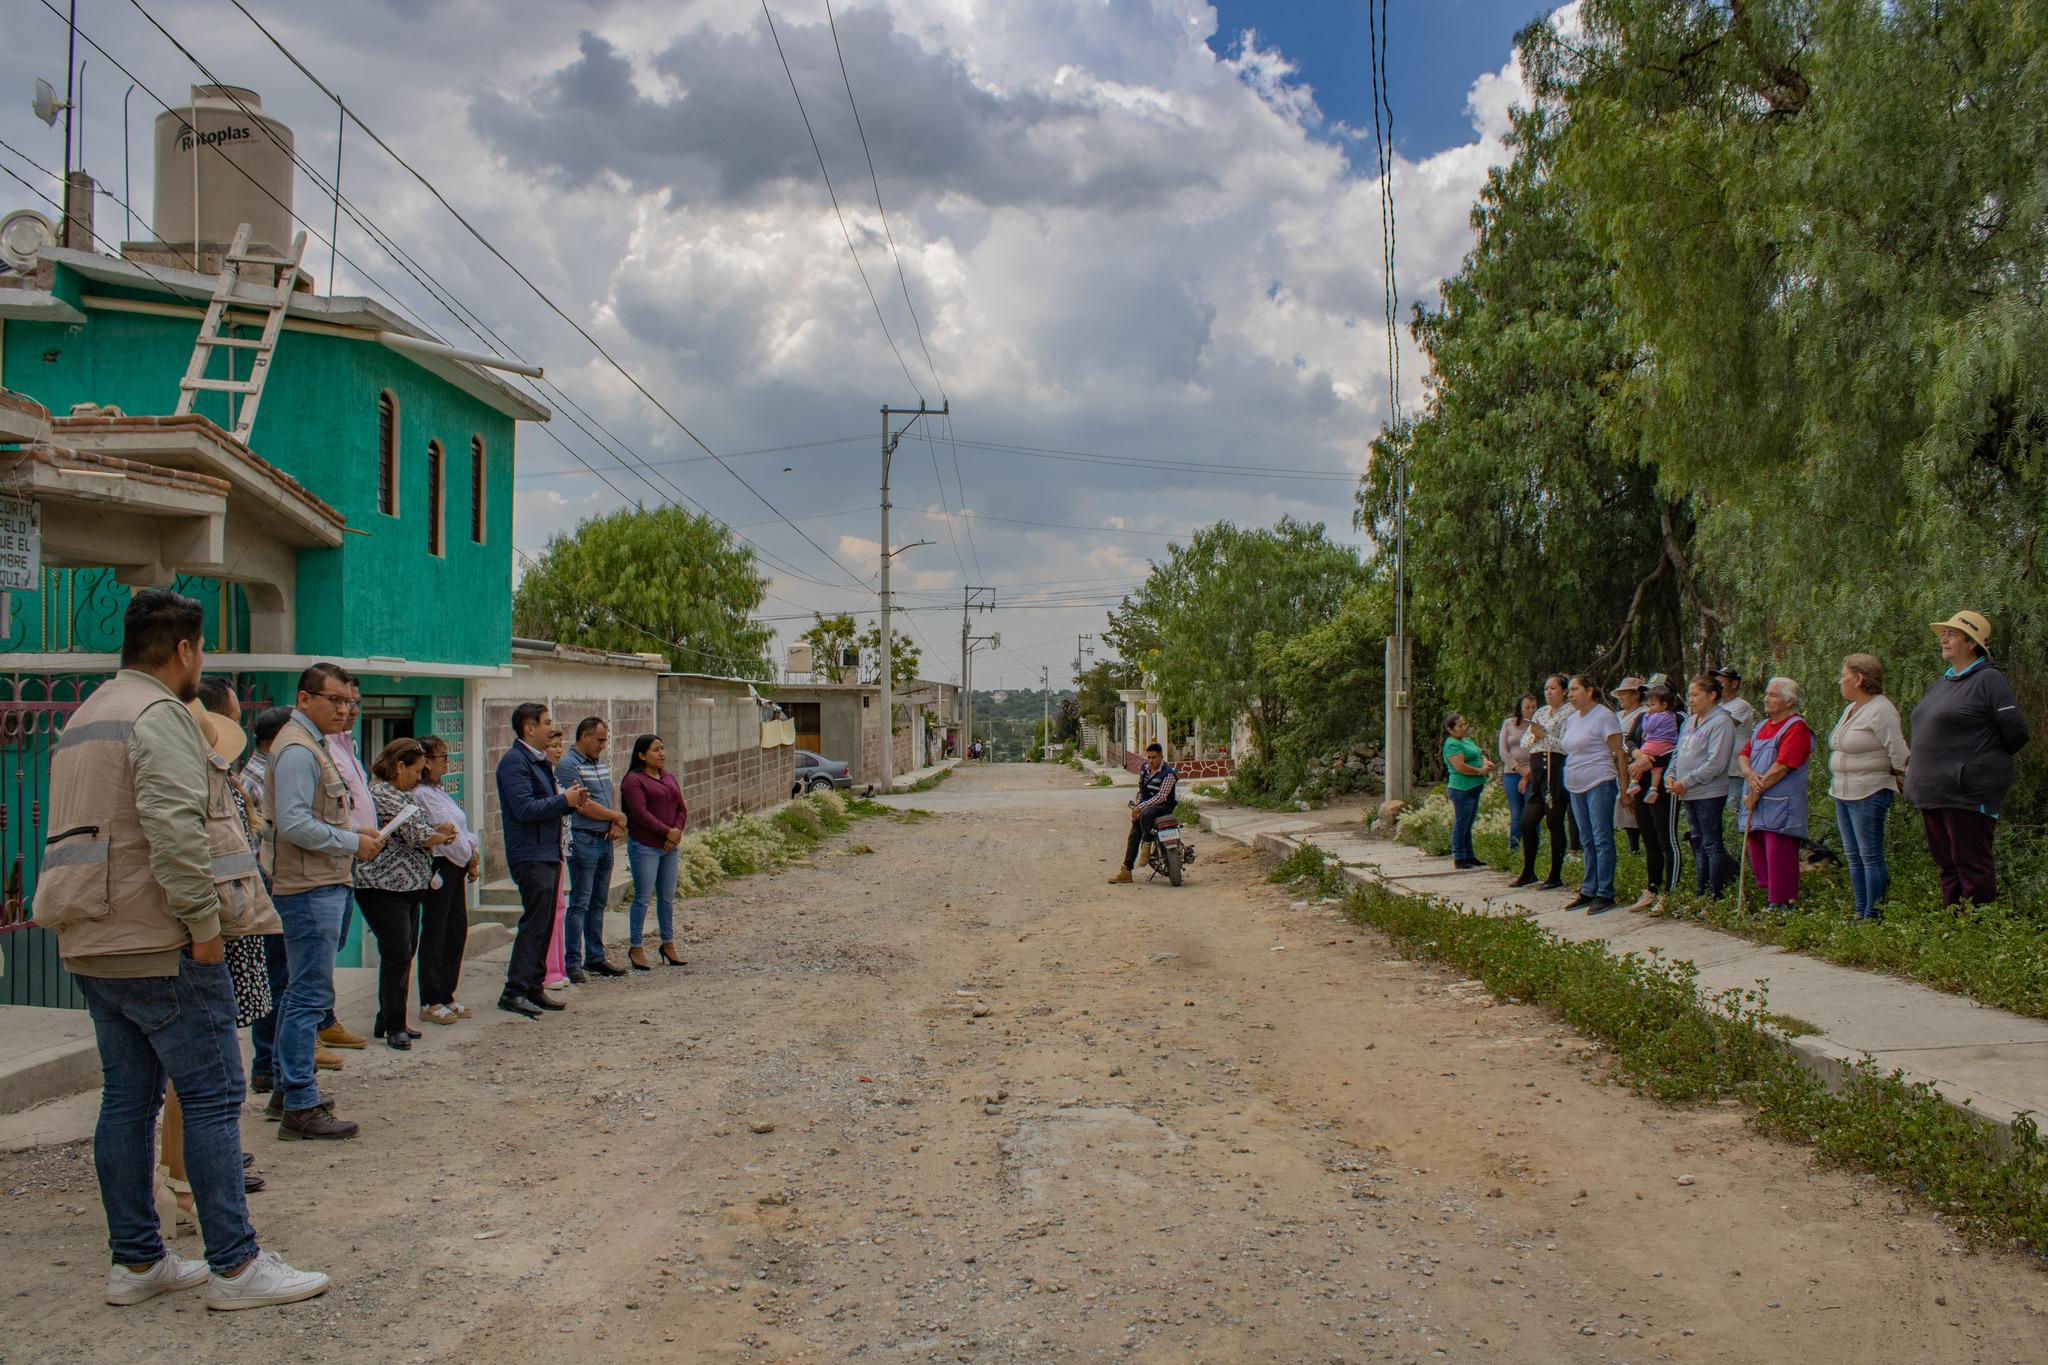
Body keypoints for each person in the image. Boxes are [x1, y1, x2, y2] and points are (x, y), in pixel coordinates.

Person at [34, 589, 328, 1309]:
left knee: (128, 1100)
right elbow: (174, 827)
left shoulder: (86, 713)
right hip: (160, 939)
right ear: (186, 650)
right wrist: (202, 929)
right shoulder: (157, 714)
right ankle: (235, 1263)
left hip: (94, 936)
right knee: (213, 1094)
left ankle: (137, 1261)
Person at [157, 680, 280, 1236]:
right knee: (203, 1069)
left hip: (227, 927)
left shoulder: (223, 781)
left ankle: (191, 1170)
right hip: (219, 931)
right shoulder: (208, 784)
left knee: (197, 1067)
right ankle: (190, 1178)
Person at [265, 662, 383, 1139]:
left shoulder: (315, 744)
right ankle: (299, 1102)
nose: (344, 708)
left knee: (302, 993)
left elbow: (314, 815)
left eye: (348, 701)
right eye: (334, 699)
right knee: (308, 995)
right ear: (305, 697)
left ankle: (285, 1089)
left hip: (320, 883)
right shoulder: (297, 749)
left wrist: (355, 832)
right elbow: (292, 823)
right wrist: (352, 842)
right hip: (309, 888)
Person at [1904, 611, 2030, 909]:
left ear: (1972, 643)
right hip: (1933, 791)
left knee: (1971, 863)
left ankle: (1978, 927)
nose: (1944, 639)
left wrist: (1976, 763)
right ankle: (1954, 923)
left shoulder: (1989, 679)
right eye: (1944, 633)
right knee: (1947, 864)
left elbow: (2017, 732)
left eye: (1952, 634)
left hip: (1967, 792)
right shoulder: (1943, 682)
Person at [353, 739, 457, 1049]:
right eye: (414, 770)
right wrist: (442, 835)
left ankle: (388, 1018)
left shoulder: (401, 794)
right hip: (383, 887)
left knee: (404, 950)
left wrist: (440, 832)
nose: (418, 776)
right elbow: (418, 834)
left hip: (408, 887)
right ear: (399, 767)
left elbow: (425, 829)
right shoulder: (383, 794)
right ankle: (394, 1025)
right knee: (397, 953)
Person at [496, 702, 589, 1017]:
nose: (553, 728)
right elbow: (525, 809)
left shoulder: (537, 763)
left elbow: (547, 804)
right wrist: (564, 800)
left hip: (548, 853)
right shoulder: (514, 762)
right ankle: (514, 990)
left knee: (545, 924)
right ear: (529, 728)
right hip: (530, 854)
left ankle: (534, 988)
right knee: (534, 924)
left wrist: (569, 802)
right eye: (547, 722)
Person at [243, 705, 301, 1095]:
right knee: (277, 979)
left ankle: (271, 1063)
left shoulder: (258, 773)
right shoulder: (261, 777)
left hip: (267, 884)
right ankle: (270, 1063)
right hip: (268, 886)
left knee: (277, 979)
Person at [1829, 654, 1910, 920]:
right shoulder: (1851, 708)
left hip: (1869, 790)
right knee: (1852, 855)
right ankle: (1860, 911)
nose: (1840, 681)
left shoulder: (1881, 709)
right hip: (1842, 790)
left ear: (1859, 678)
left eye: (1844, 675)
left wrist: (1905, 777)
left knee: (1869, 855)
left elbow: (1898, 751)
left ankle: (1874, 914)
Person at [412, 735, 479, 1023]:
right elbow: (449, 834)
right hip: (442, 865)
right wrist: (471, 856)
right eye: (442, 758)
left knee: (456, 930)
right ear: (426, 762)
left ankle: (447, 992)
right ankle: (430, 998)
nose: (447, 763)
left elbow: (462, 829)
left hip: (458, 864)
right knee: (435, 932)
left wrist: (472, 852)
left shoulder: (438, 791)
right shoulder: (422, 794)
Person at [556, 717, 629, 983]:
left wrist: (615, 820)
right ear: (584, 736)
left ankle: (596, 956)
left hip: (604, 839)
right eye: (599, 740)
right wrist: (616, 816)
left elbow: (610, 791)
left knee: (598, 902)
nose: (603, 745)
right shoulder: (568, 766)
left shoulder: (599, 763)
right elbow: (582, 805)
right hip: (584, 838)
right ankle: (572, 961)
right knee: (580, 902)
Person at [1738, 677, 1814, 912]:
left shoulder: (1796, 727)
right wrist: (1749, 773)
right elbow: (1744, 754)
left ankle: (1784, 904)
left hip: (1780, 801)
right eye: (1767, 694)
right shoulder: (1762, 725)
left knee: (1779, 850)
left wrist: (1756, 791)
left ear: (1789, 701)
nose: (1766, 698)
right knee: (1760, 849)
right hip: (1758, 799)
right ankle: (1771, 901)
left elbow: (1783, 765)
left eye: (1773, 695)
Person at [1561, 675, 1630, 913]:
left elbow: (1620, 754)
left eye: (1575, 689)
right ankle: (1588, 889)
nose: (1570, 694)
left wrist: (1624, 790)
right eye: (1568, 690)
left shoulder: (1604, 716)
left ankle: (1605, 892)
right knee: (1586, 839)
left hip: (1599, 781)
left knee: (1602, 839)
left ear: (1589, 691)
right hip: (1574, 784)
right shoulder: (1571, 719)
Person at [619, 734, 689, 969]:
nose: (662, 754)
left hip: (669, 847)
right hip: (646, 846)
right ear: (641, 755)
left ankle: (667, 943)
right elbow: (639, 813)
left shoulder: (668, 777)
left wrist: (676, 831)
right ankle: (636, 946)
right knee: (643, 897)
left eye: (663, 748)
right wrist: (666, 832)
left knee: (667, 898)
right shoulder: (633, 781)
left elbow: (681, 807)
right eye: (655, 750)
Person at [1666, 675, 1739, 898]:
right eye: (1690, 695)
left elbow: (1716, 763)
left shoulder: (1721, 722)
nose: (1691, 700)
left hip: (1708, 792)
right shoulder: (1690, 721)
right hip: (1687, 793)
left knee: (1711, 843)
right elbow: (1678, 753)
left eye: (1696, 695)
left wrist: (1685, 782)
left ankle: (1714, 894)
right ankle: (1700, 892)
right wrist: (1670, 775)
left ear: (1712, 696)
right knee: (1696, 842)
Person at [1510, 675, 1573, 890]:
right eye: (1546, 688)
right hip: (1537, 768)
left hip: (1555, 768)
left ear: (1564, 691)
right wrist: (1536, 736)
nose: (1548, 692)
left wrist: (1543, 735)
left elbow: (1566, 744)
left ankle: (1555, 875)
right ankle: (1528, 872)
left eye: (1553, 688)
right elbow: (1526, 741)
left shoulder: (1569, 712)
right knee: (1527, 822)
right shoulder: (1541, 712)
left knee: (1554, 821)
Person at [1625, 684, 1681, 910]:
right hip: (1642, 779)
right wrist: (1639, 757)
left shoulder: (1676, 718)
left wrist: (1651, 762)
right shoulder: (1641, 717)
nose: (1649, 705)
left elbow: (1678, 747)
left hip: (1664, 782)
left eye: (1654, 699)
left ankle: (1670, 892)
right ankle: (1652, 888)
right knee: (1649, 839)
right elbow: (1627, 740)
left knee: (1666, 839)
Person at [1108, 742, 1176, 884]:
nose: (1151, 761)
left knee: (1145, 812)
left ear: (1161, 757)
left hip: (1163, 807)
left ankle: (1146, 845)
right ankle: (1126, 870)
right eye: (1148, 757)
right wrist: (1138, 805)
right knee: (1133, 835)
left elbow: (1161, 796)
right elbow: (1142, 790)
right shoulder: (1144, 769)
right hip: (1146, 808)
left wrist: (1141, 807)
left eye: (1154, 757)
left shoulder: (1168, 774)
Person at [1441, 714, 1494, 869]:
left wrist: (1485, 762)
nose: (1464, 728)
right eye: (1460, 726)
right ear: (1450, 730)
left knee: (1469, 822)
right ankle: (1459, 856)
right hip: (1462, 788)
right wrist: (1480, 771)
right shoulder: (1451, 744)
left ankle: (1469, 855)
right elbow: (1460, 767)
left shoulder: (1467, 740)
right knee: (1461, 822)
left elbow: (1478, 753)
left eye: (1465, 724)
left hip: (1474, 787)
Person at [1611, 678, 1647, 854]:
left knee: (1634, 804)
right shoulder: (1617, 716)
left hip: (1633, 762)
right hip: (1615, 765)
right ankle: (1633, 848)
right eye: (1619, 694)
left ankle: (1643, 848)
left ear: (1636, 694)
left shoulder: (1644, 714)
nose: (1621, 697)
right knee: (1623, 807)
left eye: (1624, 693)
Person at [1498, 695, 1536, 853]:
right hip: (1512, 773)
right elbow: (1503, 751)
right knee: (1516, 813)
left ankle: (1533, 847)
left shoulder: (1537, 725)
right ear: (1520, 708)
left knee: (1532, 812)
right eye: (1527, 707)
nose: (1531, 710)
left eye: (1534, 707)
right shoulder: (1508, 724)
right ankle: (1514, 848)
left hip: (1533, 772)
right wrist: (1519, 769)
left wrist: (1528, 773)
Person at [1714, 667, 1757, 785]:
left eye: (1720, 683)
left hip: (1734, 769)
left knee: (1732, 803)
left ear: (1734, 684)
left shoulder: (1741, 705)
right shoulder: (1717, 707)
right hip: (1720, 770)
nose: (1717, 687)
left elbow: (1720, 727)